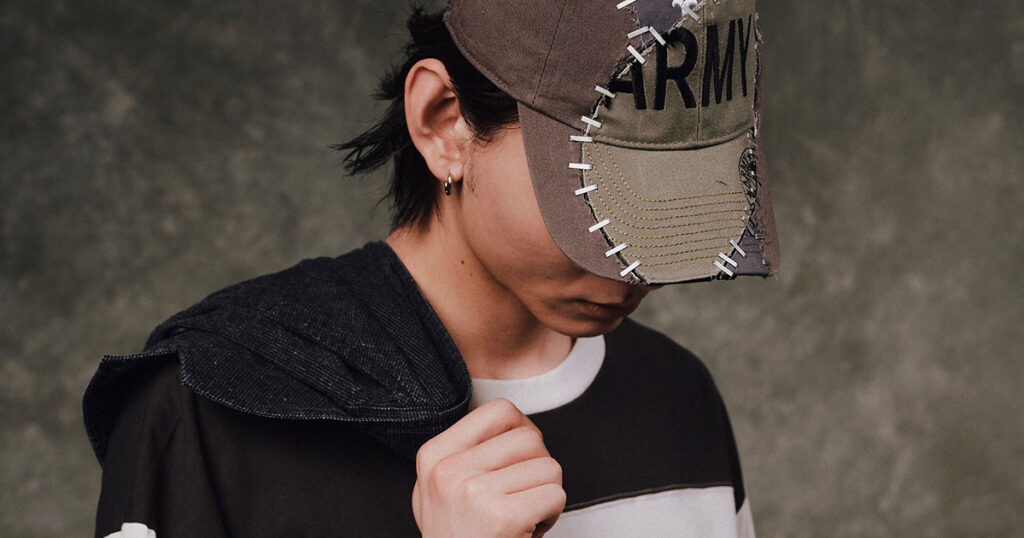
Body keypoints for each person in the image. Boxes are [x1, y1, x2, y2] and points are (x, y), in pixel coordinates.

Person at [83, 0, 779, 536]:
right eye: (603, 203)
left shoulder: (677, 397)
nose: (638, 267)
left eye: (684, 206)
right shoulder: (208, 406)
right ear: (445, 122)